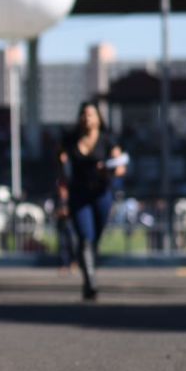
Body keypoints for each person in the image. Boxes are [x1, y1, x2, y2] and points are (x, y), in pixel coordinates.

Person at [56, 101, 126, 301]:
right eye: (84, 114)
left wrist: (109, 170)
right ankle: (90, 281)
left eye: (91, 114)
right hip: (78, 195)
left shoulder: (107, 140)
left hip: (101, 195)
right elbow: (60, 167)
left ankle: (90, 265)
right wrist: (62, 195)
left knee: (95, 238)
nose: (87, 118)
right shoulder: (70, 139)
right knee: (85, 237)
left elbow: (121, 166)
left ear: (98, 118)